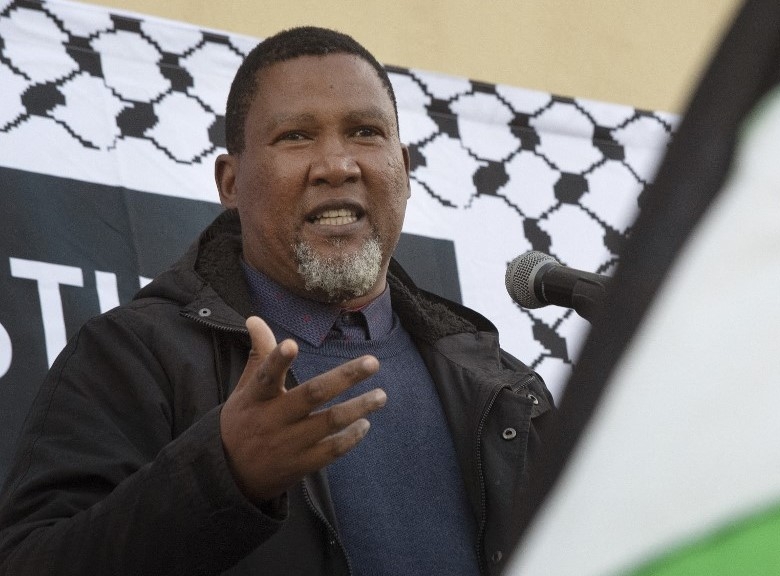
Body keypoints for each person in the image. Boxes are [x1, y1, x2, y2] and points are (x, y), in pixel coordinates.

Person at [0, 26, 553, 576]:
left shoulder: (502, 388)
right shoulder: (134, 354)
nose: (337, 165)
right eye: (295, 137)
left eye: (364, 132)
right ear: (231, 182)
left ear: (404, 170)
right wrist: (223, 475)